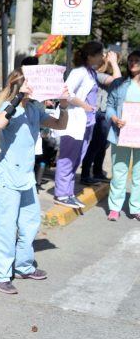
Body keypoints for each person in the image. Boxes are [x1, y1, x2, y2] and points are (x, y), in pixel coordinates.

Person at [0, 70, 69, 294]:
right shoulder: (9, 107)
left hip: (25, 177)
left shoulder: (34, 109)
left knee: (30, 223)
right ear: (22, 85)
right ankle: (0, 275)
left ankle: (24, 266)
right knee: (5, 228)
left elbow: (60, 125)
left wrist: (64, 104)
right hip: (6, 178)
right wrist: (17, 97)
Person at [53, 41, 105, 208]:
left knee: (77, 158)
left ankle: (68, 192)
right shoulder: (79, 72)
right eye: (100, 54)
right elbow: (64, 92)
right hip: (74, 120)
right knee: (68, 156)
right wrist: (84, 105)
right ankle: (61, 194)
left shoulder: (91, 72)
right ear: (90, 56)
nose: (102, 56)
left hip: (87, 122)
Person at [105, 50, 140, 221]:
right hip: (120, 135)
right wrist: (114, 118)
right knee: (119, 172)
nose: (133, 63)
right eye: (131, 60)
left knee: (139, 174)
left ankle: (136, 208)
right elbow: (109, 105)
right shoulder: (119, 83)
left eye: (137, 60)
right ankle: (114, 208)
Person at [80, 50, 122, 185]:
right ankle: (85, 175)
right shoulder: (97, 74)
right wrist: (113, 62)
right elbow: (118, 81)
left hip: (106, 113)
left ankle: (97, 172)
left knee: (103, 145)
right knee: (94, 146)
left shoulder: (105, 74)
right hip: (98, 113)